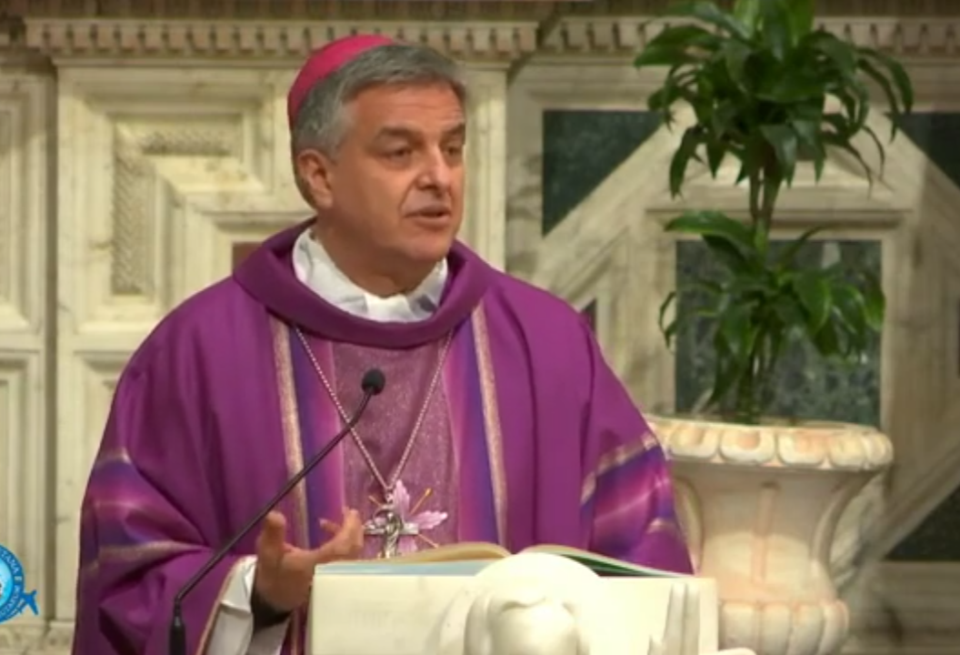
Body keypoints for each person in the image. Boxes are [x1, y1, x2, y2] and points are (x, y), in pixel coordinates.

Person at [71, 34, 694, 655]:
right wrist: (256, 592)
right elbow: (129, 572)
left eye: (452, 149)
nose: (439, 177)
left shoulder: (547, 344)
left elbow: (643, 561)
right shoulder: (200, 353)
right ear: (319, 176)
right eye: (401, 152)